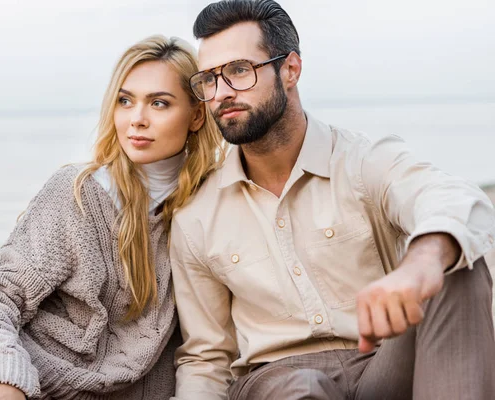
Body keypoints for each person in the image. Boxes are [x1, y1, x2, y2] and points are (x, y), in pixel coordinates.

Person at [170, 1, 495, 399]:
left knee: (454, 260)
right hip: (277, 381)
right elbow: (206, 359)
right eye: (209, 78)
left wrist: (421, 264)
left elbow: (455, 197)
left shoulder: (362, 162)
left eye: (239, 70)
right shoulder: (197, 217)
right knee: (300, 388)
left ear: (290, 69)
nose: (221, 93)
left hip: (382, 364)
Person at [0, 35, 225, 400]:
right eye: (125, 101)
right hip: (19, 368)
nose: (137, 120)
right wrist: (2, 375)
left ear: (197, 116)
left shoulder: (210, 208)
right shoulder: (79, 193)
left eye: (159, 103)